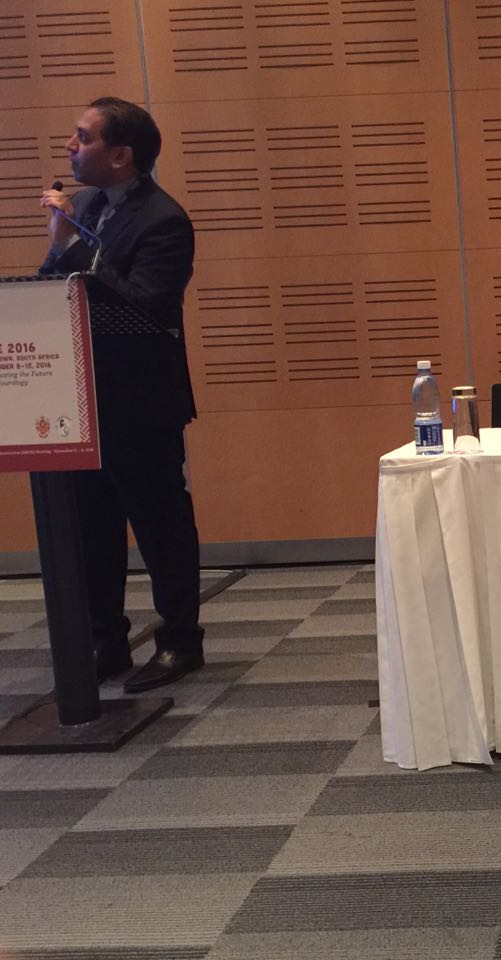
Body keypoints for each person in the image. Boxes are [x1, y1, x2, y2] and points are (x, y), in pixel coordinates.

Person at [38, 96, 204, 693]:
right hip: (79, 403)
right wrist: (59, 250)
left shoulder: (164, 220)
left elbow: (145, 306)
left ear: (120, 155)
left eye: (83, 138)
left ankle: (180, 641)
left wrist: (72, 245)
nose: (70, 146)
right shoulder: (84, 207)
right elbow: (54, 288)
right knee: (92, 528)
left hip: (142, 403)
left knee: (160, 525)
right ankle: (105, 642)